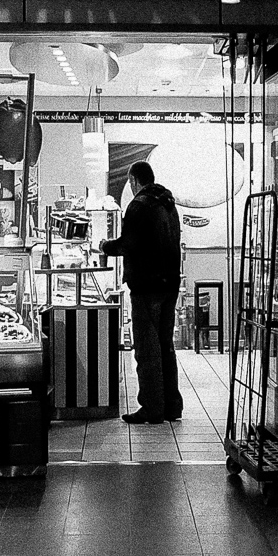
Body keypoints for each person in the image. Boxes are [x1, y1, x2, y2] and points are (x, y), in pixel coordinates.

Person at [100, 161, 183, 424]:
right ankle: (172, 406)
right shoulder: (168, 203)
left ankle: (152, 408)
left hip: (147, 287)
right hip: (169, 284)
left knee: (147, 349)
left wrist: (105, 246)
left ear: (134, 181)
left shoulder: (139, 205)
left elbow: (128, 245)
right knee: (165, 346)